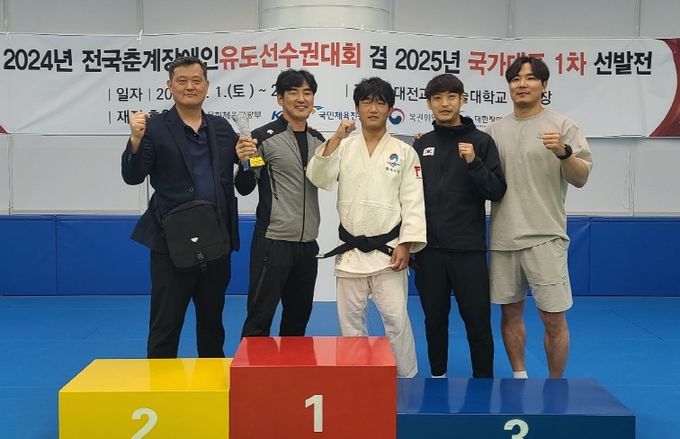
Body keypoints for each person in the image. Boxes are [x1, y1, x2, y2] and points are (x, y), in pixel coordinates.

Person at [121, 56, 242, 358]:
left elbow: (244, 185)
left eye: (196, 80)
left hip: (216, 242)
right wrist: (135, 139)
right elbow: (133, 176)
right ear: (170, 85)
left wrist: (248, 161)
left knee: (212, 325)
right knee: (166, 325)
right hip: (170, 243)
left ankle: (211, 384)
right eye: (182, 81)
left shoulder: (222, 128)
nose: (190, 87)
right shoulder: (154, 127)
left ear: (207, 85)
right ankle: (160, 386)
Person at [306, 77, 426, 378]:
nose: (373, 108)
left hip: (389, 252)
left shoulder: (404, 151)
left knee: (396, 320)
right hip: (351, 252)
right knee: (350, 324)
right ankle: (356, 379)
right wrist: (335, 138)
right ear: (357, 108)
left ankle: (406, 377)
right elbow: (318, 177)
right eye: (367, 102)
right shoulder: (344, 147)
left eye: (380, 103)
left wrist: (406, 243)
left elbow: (413, 200)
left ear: (390, 109)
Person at [487, 56, 593, 378]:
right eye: (515, 79)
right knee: (510, 313)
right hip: (504, 237)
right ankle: (519, 377)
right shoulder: (493, 131)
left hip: (545, 236)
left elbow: (581, 177)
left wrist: (564, 152)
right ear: (509, 85)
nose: (522, 84)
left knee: (553, 318)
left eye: (531, 78)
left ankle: (555, 384)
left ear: (544, 85)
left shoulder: (563, 126)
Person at [412, 73, 506, 378]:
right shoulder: (422, 144)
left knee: (477, 322)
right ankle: (437, 375)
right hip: (429, 252)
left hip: (468, 250)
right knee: (434, 321)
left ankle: (483, 381)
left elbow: (496, 190)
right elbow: (409, 197)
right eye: (437, 98)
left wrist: (474, 163)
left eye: (451, 97)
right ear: (429, 104)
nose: (445, 103)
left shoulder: (481, 142)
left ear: (462, 100)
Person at [235, 69, 325, 337]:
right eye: (293, 92)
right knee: (259, 319)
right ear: (280, 99)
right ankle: (253, 366)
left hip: (307, 245)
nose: (301, 99)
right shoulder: (262, 138)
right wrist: (244, 162)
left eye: (307, 93)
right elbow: (244, 187)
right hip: (273, 242)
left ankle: (292, 367)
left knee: (298, 320)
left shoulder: (319, 141)